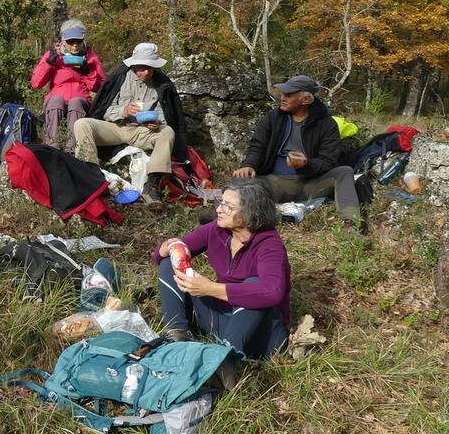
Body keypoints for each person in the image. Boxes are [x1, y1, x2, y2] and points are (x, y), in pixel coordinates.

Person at [153, 179, 290, 360]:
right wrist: (164, 249)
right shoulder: (216, 230)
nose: (218, 209)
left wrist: (210, 288)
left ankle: (226, 359)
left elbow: (272, 292)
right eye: (220, 202)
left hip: (260, 334)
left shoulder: (269, 244)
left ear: (250, 213)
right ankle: (178, 336)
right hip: (219, 319)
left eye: (228, 206)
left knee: (253, 285)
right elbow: (178, 249)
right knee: (170, 262)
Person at [233, 74, 360, 228]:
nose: (282, 98)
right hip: (275, 181)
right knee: (239, 185)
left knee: (344, 172)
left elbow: (328, 161)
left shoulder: (327, 124)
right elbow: (257, 145)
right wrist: (249, 164)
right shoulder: (273, 117)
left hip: (311, 183)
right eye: (283, 94)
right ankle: (223, 218)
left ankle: (350, 225)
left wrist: (306, 164)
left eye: (288, 95)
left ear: (305, 100)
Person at [72, 42, 188, 210]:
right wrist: (124, 111)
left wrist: (156, 123)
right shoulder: (120, 77)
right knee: (82, 124)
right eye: (141, 67)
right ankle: (90, 175)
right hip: (117, 128)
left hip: (143, 131)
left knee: (167, 132)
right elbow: (104, 110)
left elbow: (167, 114)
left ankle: (152, 185)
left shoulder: (162, 84)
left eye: (149, 68)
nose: (146, 72)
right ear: (134, 64)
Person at [30, 19, 105, 150]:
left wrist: (87, 72)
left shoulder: (91, 57)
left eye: (78, 41)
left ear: (84, 39)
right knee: (56, 101)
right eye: (70, 42)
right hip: (56, 99)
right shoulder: (53, 55)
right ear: (63, 40)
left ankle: (72, 149)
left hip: (81, 100)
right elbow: (36, 84)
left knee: (76, 102)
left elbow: (102, 88)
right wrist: (49, 63)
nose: (75, 45)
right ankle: (52, 147)